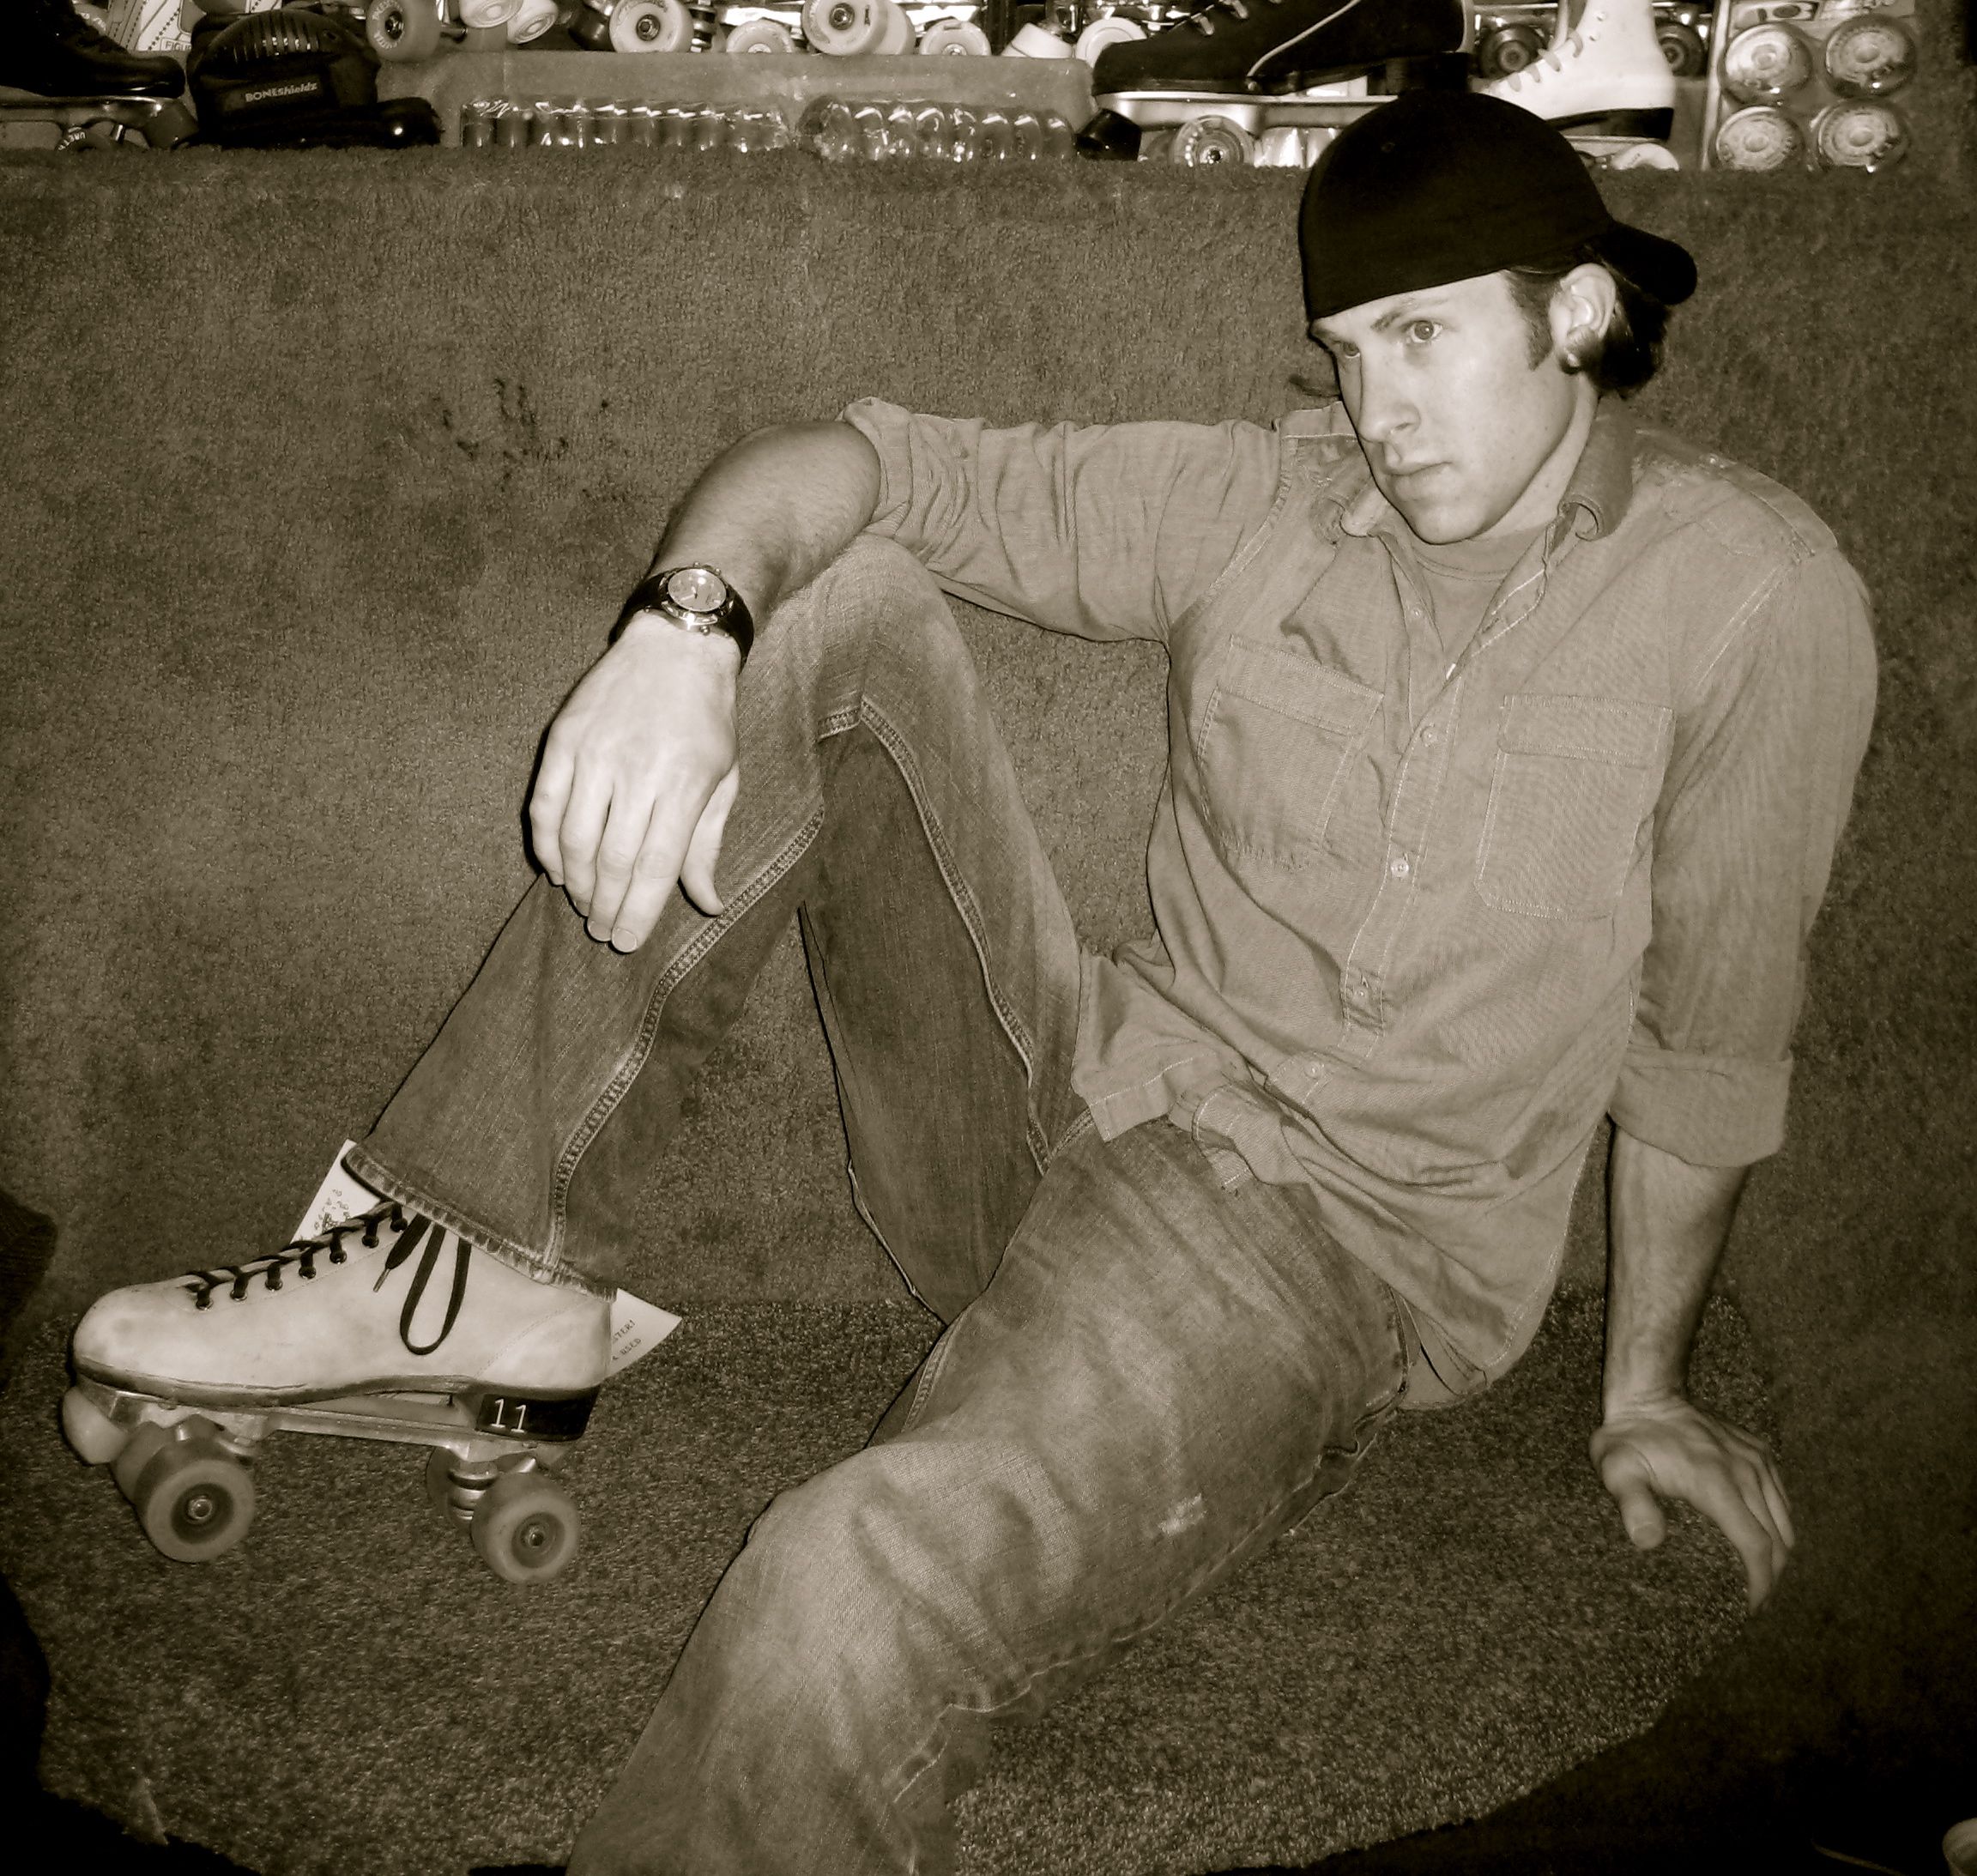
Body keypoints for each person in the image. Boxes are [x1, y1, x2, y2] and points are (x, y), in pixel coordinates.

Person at [70, 89, 1877, 1876]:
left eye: (1421, 336)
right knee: (833, 598)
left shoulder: (1750, 597)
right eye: (1345, 350)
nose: (1376, 409)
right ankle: (467, 1259)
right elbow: (855, 460)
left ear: (1576, 311)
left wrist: (1646, 1386)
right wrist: (681, 633)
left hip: (1323, 1248)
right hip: (1064, 1092)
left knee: (837, 1586)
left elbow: (1709, 1043)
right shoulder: (1268, 499)